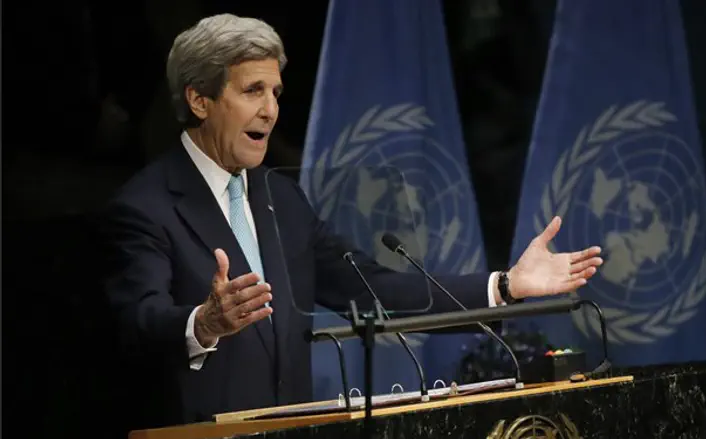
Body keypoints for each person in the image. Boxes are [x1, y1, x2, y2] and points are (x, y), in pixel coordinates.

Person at [99, 13, 603, 430]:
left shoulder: (281, 198)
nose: (271, 110)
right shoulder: (145, 206)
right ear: (199, 99)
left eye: (276, 93)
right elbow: (136, 326)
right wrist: (203, 323)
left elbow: (373, 289)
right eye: (253, 91)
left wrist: (506, 285)